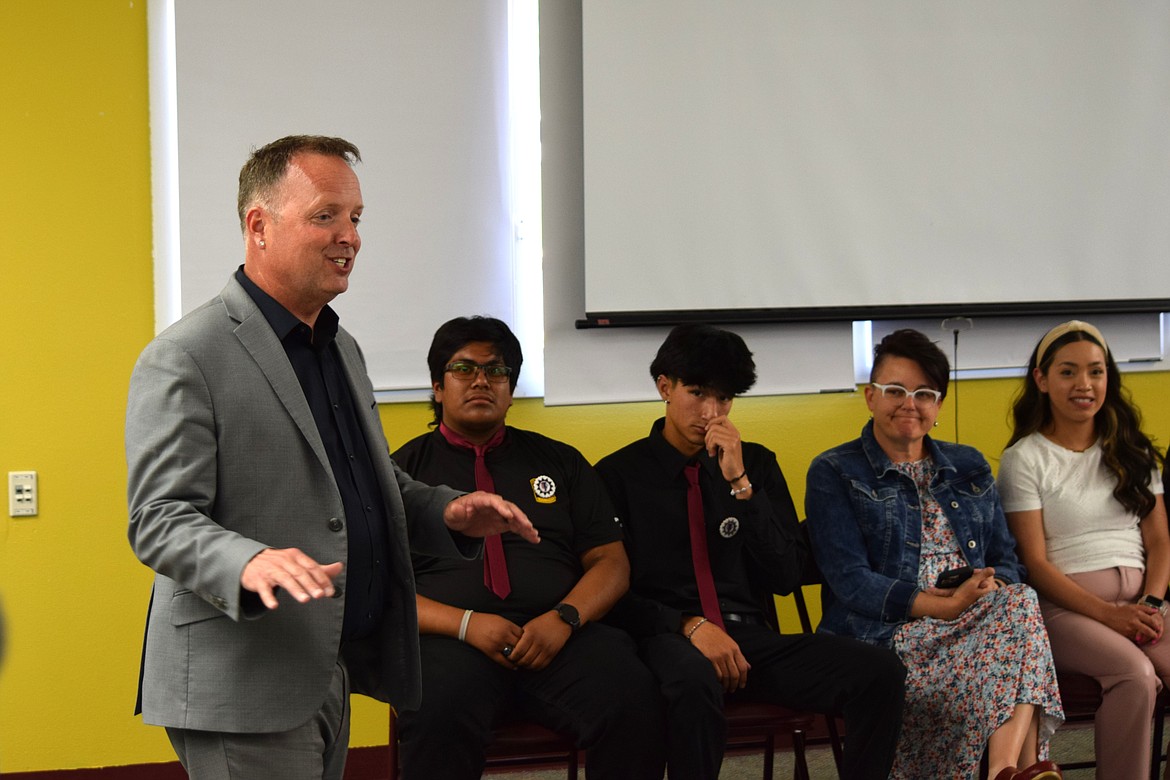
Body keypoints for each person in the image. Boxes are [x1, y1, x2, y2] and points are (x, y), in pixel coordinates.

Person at [125, 136, 538, 780]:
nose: (351, 236)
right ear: (258, 226)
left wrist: (448, 511)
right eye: (326, 216)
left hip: (331, 664)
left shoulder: (338, 346)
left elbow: (366, 486)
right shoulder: (187, 355)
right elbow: (158, 517)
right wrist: (251, 559)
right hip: (244, 680)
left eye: (356, 218)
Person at [595, 323, 906, 780]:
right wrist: (690, 626)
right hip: (669, 638)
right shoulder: (617, 475)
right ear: (664, 387)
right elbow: (612, 592)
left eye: (723, 399)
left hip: (748, 640)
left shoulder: (755, 464)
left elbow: (784, 576)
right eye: (697, 393)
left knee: (879, 670)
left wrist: (741, 485)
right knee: (691, 679)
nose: (710, 412)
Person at [390, 316, 665, 779]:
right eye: (463, 369)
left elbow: (611, 562)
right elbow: (381, 588)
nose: (481, 381)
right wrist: (467, 624)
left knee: (632, 696)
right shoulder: (401, 471)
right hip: (450, 641)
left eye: (496, 371)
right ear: (437, 387)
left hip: (561, 636)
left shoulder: (560, 461)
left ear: (511, 390)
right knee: (437, 712)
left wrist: (565, 618)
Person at [805, 328, 1064, 780]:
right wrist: (942, 607)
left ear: (938, 406)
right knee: (1020, 628)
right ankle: (1019, 769)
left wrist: (987, 586)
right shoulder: (834, 470)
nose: (910, 403)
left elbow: (1007, 559)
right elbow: (850, 580)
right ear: (870, 397)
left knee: (1018, 597)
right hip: (885, 638)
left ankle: (1004, 770)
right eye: (895, 391)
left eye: (924, 393)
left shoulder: (968, 465)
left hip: (978, 624)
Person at [999, 320, 1170, 780]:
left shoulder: (1133, 450)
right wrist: (1109, 615)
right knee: (1135, 675)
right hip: (1066, 610)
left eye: (1096, 372)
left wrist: (1151, 602)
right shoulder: (1024, 459)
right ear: (1042, 379)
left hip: (1143, 602)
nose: (1084, 385)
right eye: (1068, 372)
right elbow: (1034, 563)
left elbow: (1157, 540)